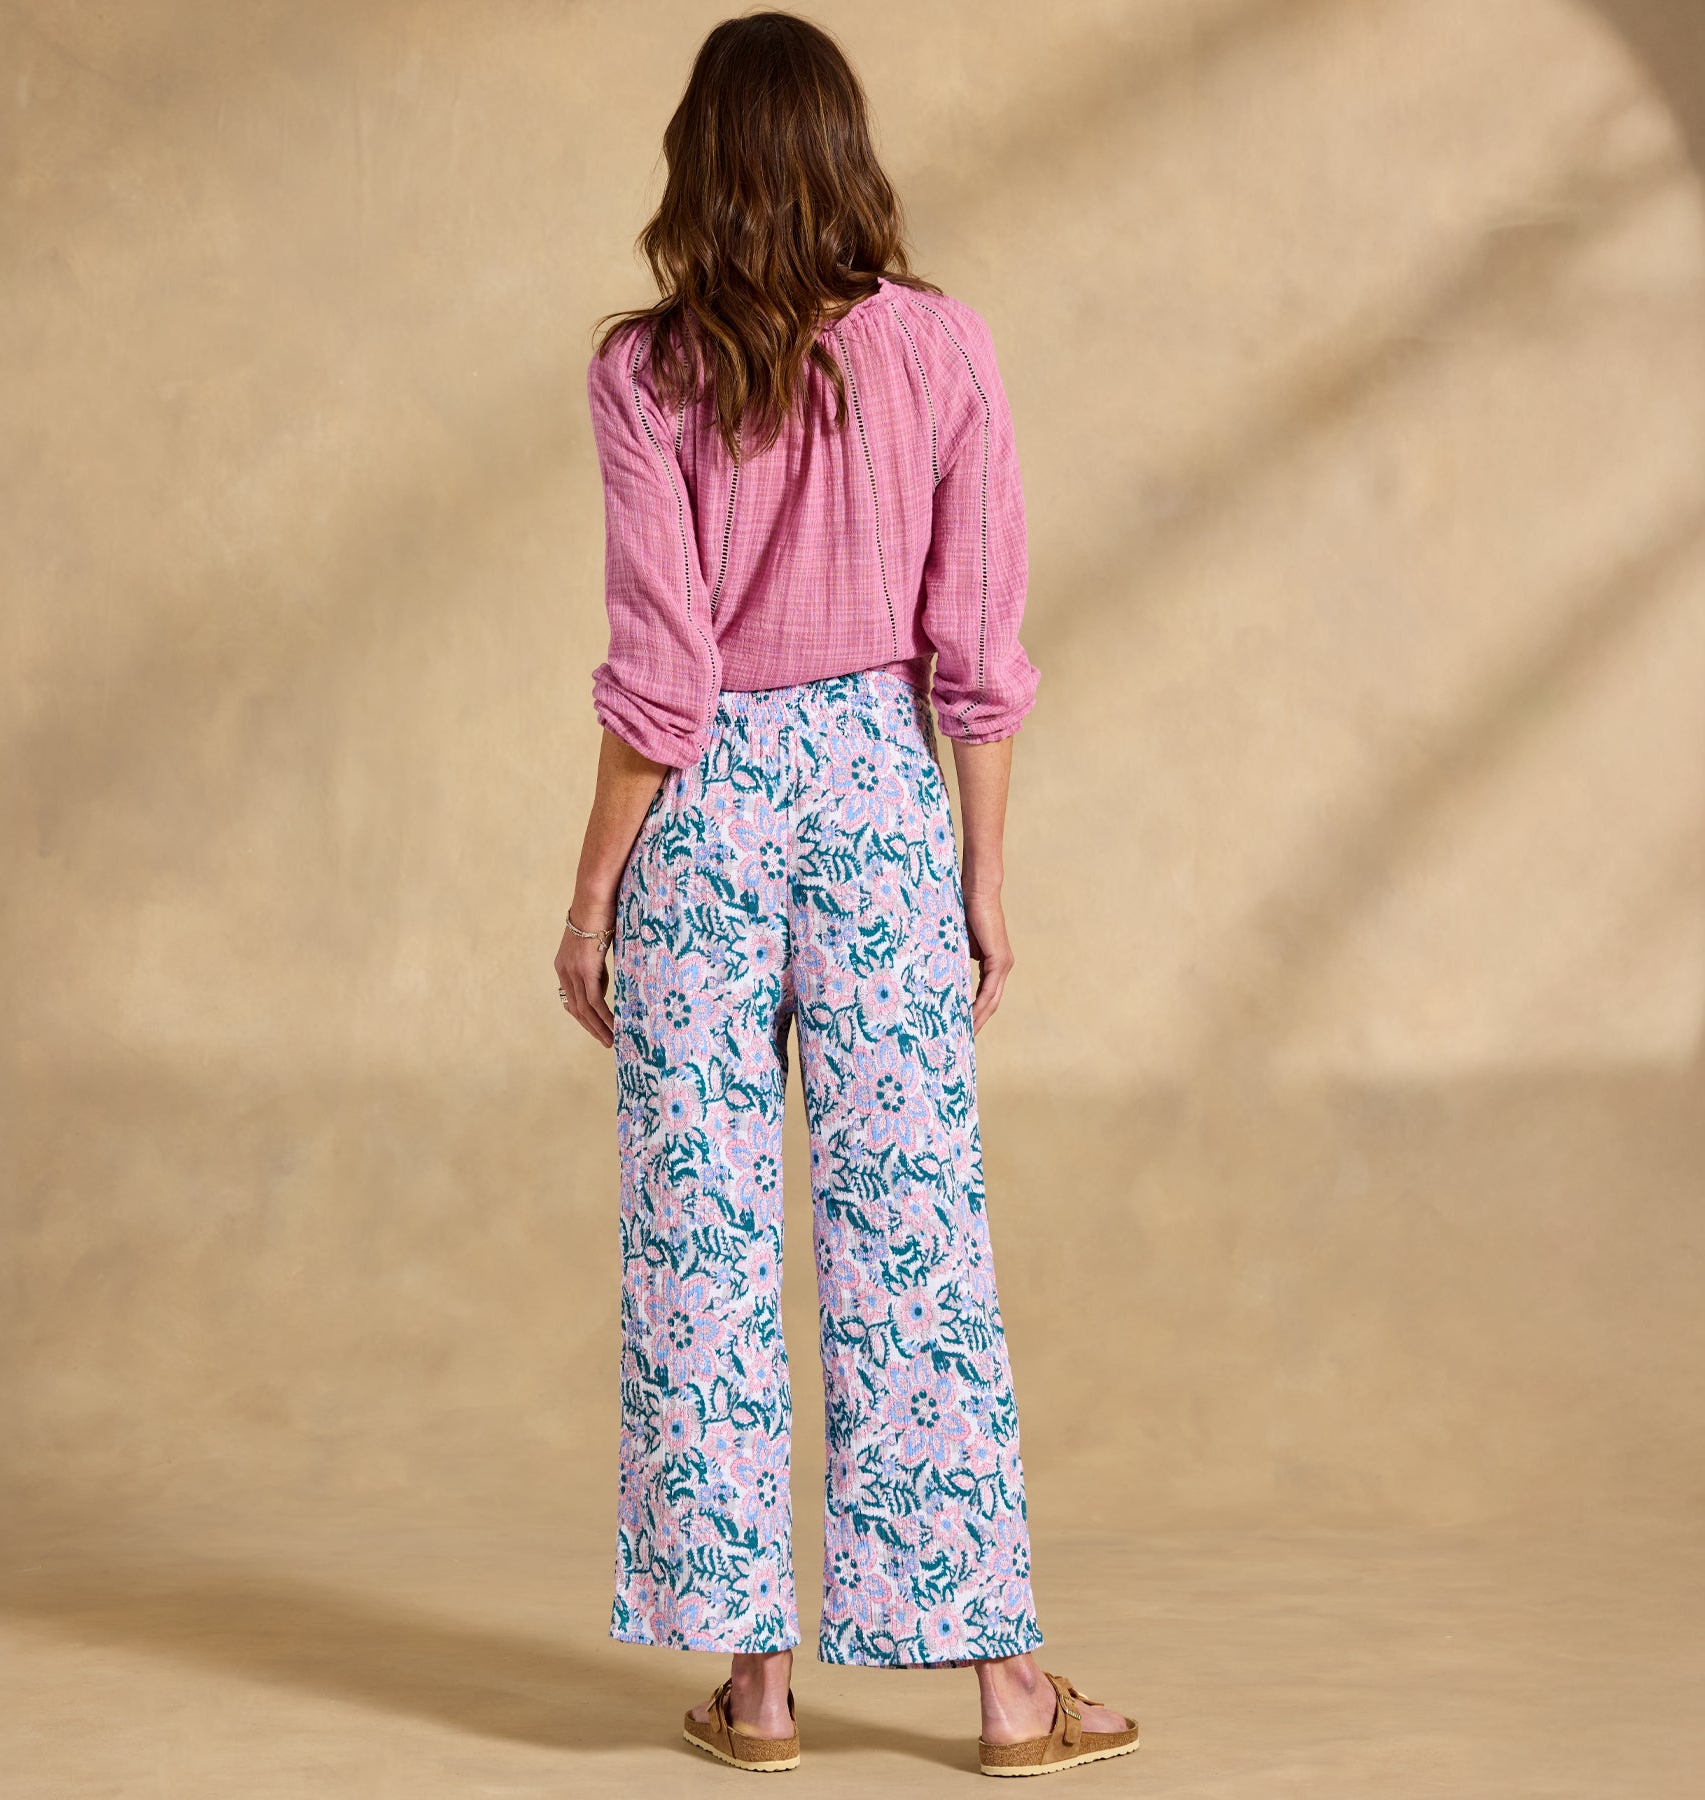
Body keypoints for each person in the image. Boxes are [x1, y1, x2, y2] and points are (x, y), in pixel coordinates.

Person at [554, 10, 1139, 1780]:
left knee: (704, 1244)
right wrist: (981, 875)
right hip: (882, 798)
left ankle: (758, 1692)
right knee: (916, 1242)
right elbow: (979, 648)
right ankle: (1008, 1697)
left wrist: (591, 898)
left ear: (696, 166)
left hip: (706, 817)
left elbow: (661, 673)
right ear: (845, 158)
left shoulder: (645, 370)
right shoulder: (944, 349)